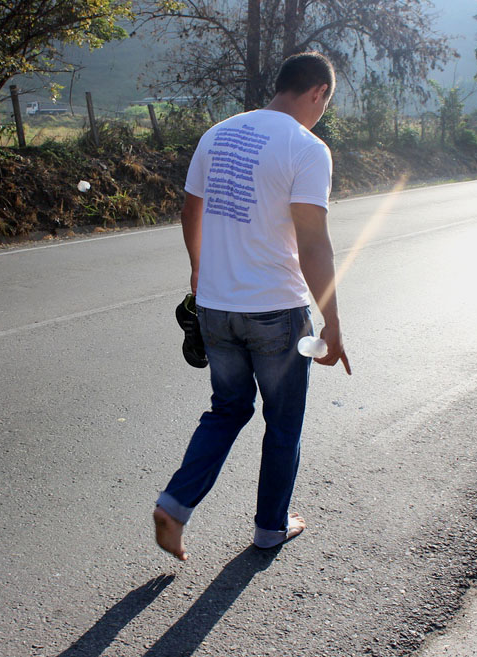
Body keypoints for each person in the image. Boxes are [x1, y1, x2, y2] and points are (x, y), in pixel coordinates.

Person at [154, 52, 351, 561]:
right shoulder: (307, 148)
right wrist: (331, 320)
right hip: (276, 311)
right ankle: (270, 527)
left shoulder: (218, 134)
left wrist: (199, 269)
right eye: (324, 103)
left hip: (216, 306)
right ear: (318, 93)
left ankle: (174, 506)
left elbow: (190, 209)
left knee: (228, 409)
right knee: (283, 422)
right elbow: (312, 243)